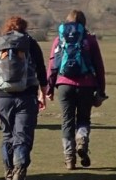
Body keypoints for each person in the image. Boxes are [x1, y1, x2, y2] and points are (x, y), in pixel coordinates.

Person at [0, 15, 48, 180]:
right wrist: (43, 94)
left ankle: (9, 173)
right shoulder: (30, 44)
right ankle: (19, 172)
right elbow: (42, 71)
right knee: (23, 137)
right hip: (26, 96)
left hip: (2, 98)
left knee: (7, 135)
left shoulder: (0, 44)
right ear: (24, 28)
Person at [46, 9, 107, 169]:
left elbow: (53, 66)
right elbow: (99, 66)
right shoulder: (90, 40)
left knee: (67, 121)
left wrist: (49, 88)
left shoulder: (58, 40)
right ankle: (82, 140)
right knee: (84, 119)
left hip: (64, 84)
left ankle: (69, 158)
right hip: (86, 85)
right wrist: (101, 90)